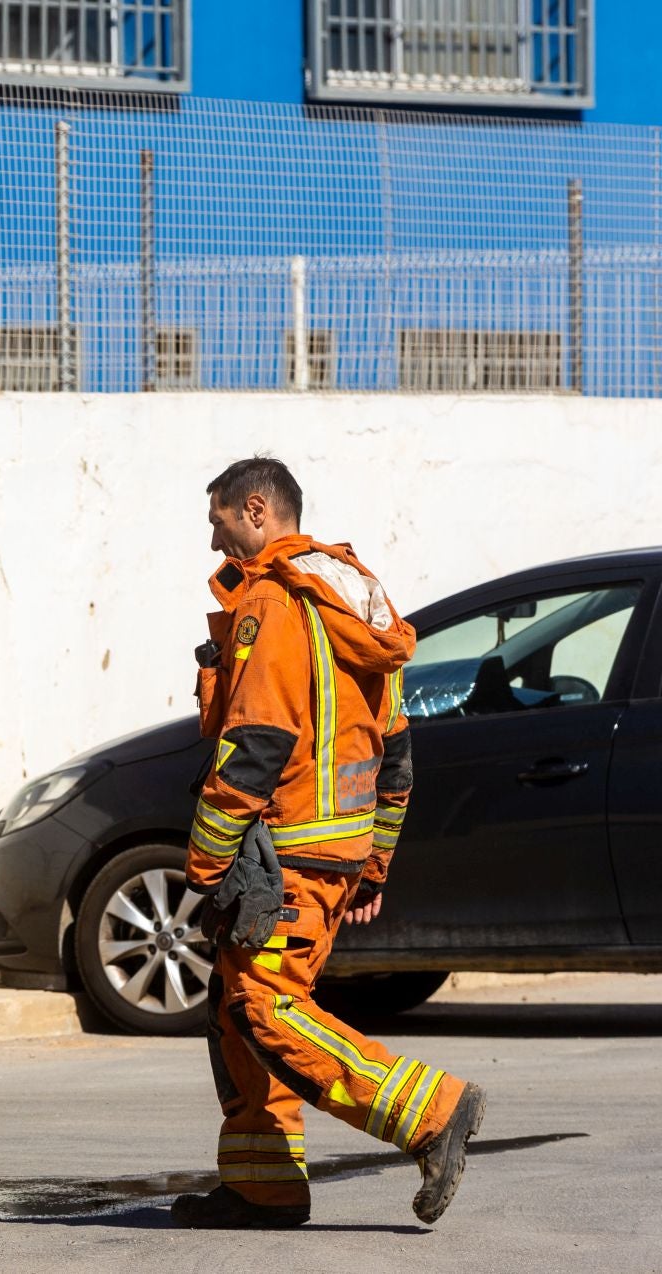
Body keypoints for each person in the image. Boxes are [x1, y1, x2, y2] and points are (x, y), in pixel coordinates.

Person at [170, 457, 485, 1230]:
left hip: (283, 853)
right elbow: (397, 756)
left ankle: (430, 1112)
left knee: (266, 1004)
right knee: (237, 1010)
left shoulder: (274, 604)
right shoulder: (362, 603)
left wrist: (207, 864)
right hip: (331, 852)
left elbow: (256, 744)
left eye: (217, 522)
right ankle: (263, 1186)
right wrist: (372, 861)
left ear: (254, 510)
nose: (214, 541)